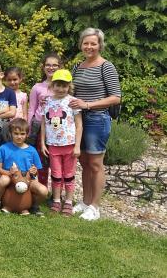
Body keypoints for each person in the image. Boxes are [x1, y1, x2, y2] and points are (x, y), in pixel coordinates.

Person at [69, 28, 121, 221]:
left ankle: (95, 207)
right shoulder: (77, 67)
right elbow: (70, 91)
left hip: (97, 119)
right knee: (84, 162)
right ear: (81, 45)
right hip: (78, 120)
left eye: (93, 43)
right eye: (86, 43)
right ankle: (85, 202)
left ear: (100, 45)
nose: (89, 46)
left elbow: (116, 97)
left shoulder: (106, 67)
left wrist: (88, 104)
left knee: (96, 163)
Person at [39, 69, 82, 216]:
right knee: (56, 175)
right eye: (58, 85)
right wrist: (43, 143)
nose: (61, 89)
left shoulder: (72, 102)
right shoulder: (47, 102)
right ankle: (56, 200)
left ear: (69, 86)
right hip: (53, 145)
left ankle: (68, 202)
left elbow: (79, 125)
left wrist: (77, 146)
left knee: (69, 175)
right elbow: (44, 123)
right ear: (52, 85)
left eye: (64, 86)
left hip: (69, 145)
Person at [0, 119, 48, 215]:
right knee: (4, 180)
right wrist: (9, 173)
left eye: (22, 134)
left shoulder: (32, 150)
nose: (19, 137)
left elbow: (36, 171)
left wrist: (34, 171)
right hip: (10, 177)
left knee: (43, 191)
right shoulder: (4, 148)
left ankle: (34, 206)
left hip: (28, 180)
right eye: (16, 133)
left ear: (27, 134)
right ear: (11, 133)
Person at [28, 54, 62, 187]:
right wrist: (28, 129)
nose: (51, 68)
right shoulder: (37, 87)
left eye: (54, 65)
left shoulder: (64, 87)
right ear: (43, 67)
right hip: (38, 127)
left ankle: (57, 191)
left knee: (56, 160)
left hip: (57, 128)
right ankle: (41, 189)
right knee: (40, 159)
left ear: (59, 67)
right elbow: (31, 109)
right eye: (48, 65)